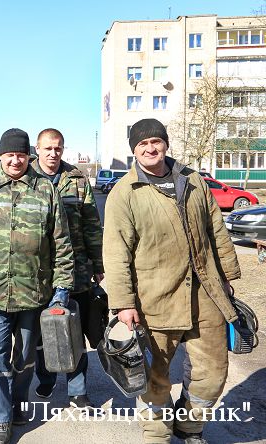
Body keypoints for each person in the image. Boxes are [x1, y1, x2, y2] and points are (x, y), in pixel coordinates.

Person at [103, 118, 241, 444]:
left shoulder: (193, 180)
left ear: (165, 143)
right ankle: (157, 436)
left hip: (205, 294)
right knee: (155, 377)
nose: (150, 148)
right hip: (155, 299)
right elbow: (116, 253)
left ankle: (189, 426)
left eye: (156, 142)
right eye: (142, 145)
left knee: (213, 371)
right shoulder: (125, 193)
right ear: (134, 151)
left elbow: (216, 231)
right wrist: (123, 303)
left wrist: (228, 277)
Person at [0, 128, 74, 444]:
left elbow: (60, 240)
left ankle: (19, 403)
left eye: (21, 155)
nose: (16, 160)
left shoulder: (45, 189)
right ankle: (0, 418)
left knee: (25, 357)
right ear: (1, 156)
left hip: (33, 290)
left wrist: (62, 284)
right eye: (10, 154)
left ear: (28, 156)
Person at [32, 128, 104, 409]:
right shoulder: (27, 178)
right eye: (48, 148)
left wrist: (97, 263)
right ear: (37, 149)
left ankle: (78, 390)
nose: (53, 154)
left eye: (58, 148)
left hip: (77, 268)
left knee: (75, 329)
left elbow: (91, 224)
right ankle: (46, 379)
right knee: (40, 332)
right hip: (37, 271)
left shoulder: (76, 180)